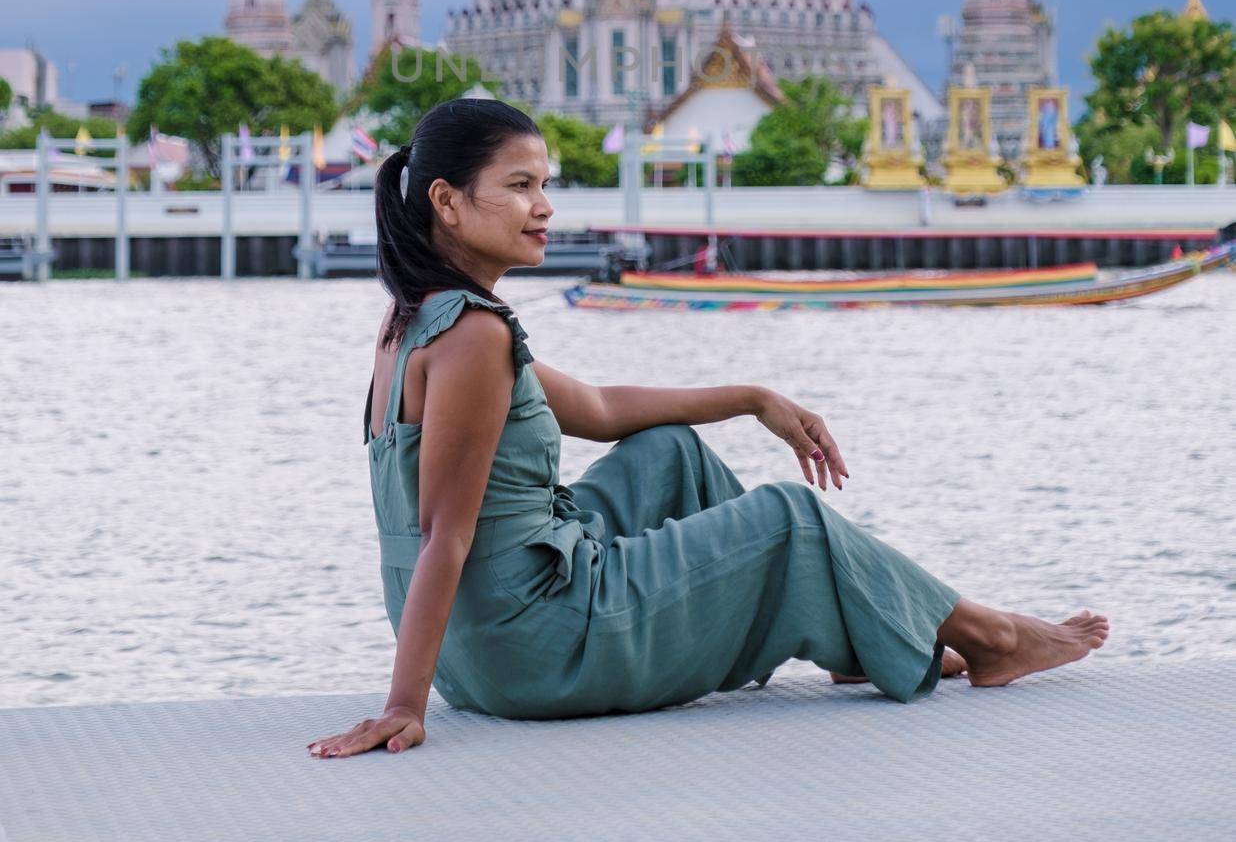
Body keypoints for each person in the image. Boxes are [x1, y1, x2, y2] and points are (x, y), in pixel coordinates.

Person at [309, 99, 1108, 758]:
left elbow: (596, 409)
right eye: (520, 185)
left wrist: (752, 397)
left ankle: (856, 625)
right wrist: (403, 706)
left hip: (477, 650)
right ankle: (995, 637)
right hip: (534, 646)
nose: (545, 207)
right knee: (787, 518)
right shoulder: (473, 337)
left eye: (545, 184)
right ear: (447, 201)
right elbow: (443, 532)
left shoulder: (419, 320)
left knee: (670, 454)